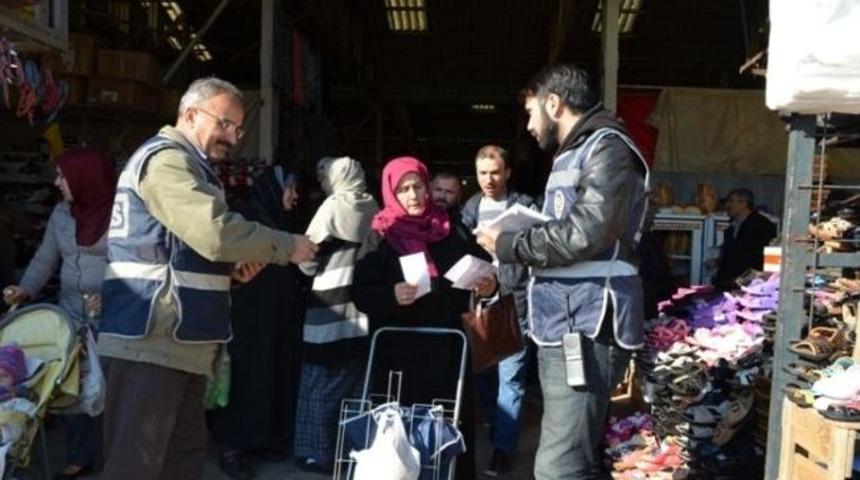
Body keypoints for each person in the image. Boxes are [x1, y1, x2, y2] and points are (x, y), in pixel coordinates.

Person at [96, 77, 318, 480]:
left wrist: (231, 274)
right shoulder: (166, 161)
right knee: (137, 464)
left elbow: (180, 249)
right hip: (152, 341)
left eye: (238, 128)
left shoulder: (191, 167)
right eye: (225, 124)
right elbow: (214, 232)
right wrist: (287, 245)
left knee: (180, 459)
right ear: (191, 114)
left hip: (179, 342)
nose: (232, 137)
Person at [474, 64, 650, 480]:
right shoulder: (575, 152)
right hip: (568, 321)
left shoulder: (607, 148)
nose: (530, 126)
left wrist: (509, 244)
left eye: (533, 112)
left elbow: (587, 231)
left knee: (560, 466)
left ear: (554, 103)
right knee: (573, 457)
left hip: (588, 324)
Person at [352, 156, 498, 480]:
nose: (412, 195)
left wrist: (488, 284)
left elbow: (484, 266)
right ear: (391, 192)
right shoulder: (381, 236)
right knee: (400, 439)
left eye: (417, 186)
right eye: (403, 189)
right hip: (397, 359)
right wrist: (391, 295)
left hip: (447, 355)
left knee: (448, 429)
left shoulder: (451, 228)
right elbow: (360, 292)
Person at [3, 147, 115, 479]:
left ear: (85, 179)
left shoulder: (123, 216)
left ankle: (115, 457)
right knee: (70, 387)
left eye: (62, 176)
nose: (56, 182)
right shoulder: (61, 215)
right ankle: (79, 456)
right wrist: (24, 289)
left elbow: (137, 265)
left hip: (111, 317)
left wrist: (111, 295)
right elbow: (45, 258)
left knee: (109, 390)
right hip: (69, 314)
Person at [208, 166, 306, 480]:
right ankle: (233, 448)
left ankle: (262, 440)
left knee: (268, 376)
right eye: (289, 189)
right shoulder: (246, 219)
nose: (294, 196)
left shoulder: (280, 221)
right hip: (245, 321)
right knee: (243, 379)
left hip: (272, 320)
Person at [292, 156, 379, 474]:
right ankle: (350, 449)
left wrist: (305, 268)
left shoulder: (332, 206)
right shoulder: (373, 205)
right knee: (355, 381)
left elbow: (307, 256)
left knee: (318, 378)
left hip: (329, 300)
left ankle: (315, 452)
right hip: (361, 304)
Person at [459, 144, 534, 476]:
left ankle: (503, 449)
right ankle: (496, 422)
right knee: (484, 376)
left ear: (507, 173)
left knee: (512, 379)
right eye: (482, 173)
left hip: (514, 303)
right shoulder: (469, 209)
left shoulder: (526, 208)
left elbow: (539, 253)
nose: (488, 179)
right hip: (478, 305)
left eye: (495, 172)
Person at [713, 189, 776, 291]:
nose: (727, 206)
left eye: (730, 201)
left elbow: (766, 257)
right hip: (730, 284)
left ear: (743, 203)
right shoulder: (732, 226)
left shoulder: (761, 225)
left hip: (751, 285)